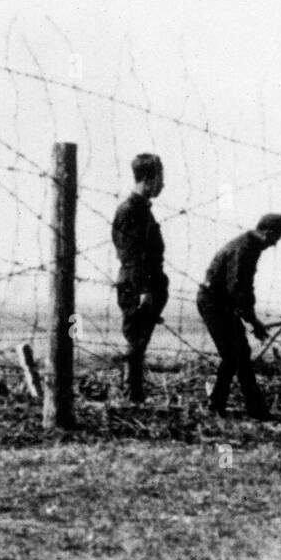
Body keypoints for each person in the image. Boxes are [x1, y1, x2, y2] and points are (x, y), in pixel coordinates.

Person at [197, 214, 281, 419]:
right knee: (234, 355)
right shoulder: (245, 249)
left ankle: (233, 406)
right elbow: (239, 289)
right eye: (275, 239)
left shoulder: (249, 245)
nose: (274, 244)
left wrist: (250, 318)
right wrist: (253, 321)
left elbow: (241, 290)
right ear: (267, 232)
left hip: (222, 304)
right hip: (214, 304)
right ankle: (236, 407)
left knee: (238, 354)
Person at [111, 153, 169, 403]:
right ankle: (131, 394)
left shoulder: (142, 210)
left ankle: (134, 393)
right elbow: (131, 255)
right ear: (147, 179)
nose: (162, 185)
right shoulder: (130, 211)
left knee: (140, 340)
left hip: (146, 285)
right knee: (136, 340)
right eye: (160, 178)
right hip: (137, 286)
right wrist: (144, 290)